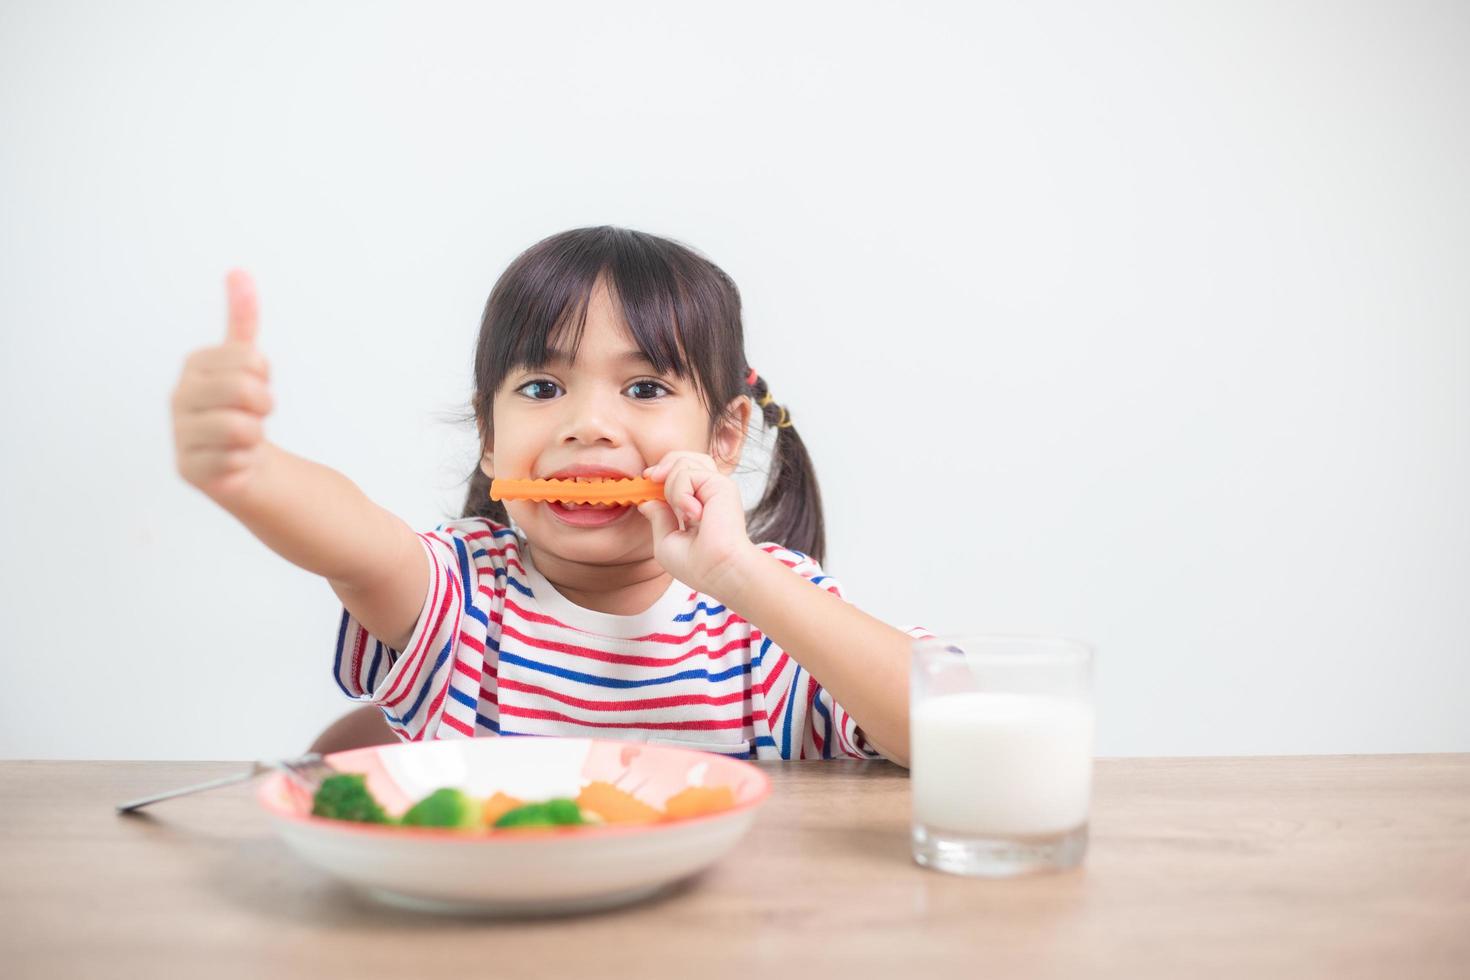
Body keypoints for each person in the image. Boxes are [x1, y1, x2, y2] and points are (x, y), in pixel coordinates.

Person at [171, 226, 928, 764]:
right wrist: (253, 472)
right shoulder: (462, 601)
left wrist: (741, 576)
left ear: (724, 439)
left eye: (643, 387)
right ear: (490, 435)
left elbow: (947, 729)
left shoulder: (767, 621)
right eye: (542, 387)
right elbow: (359, 543)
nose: (588, 424)